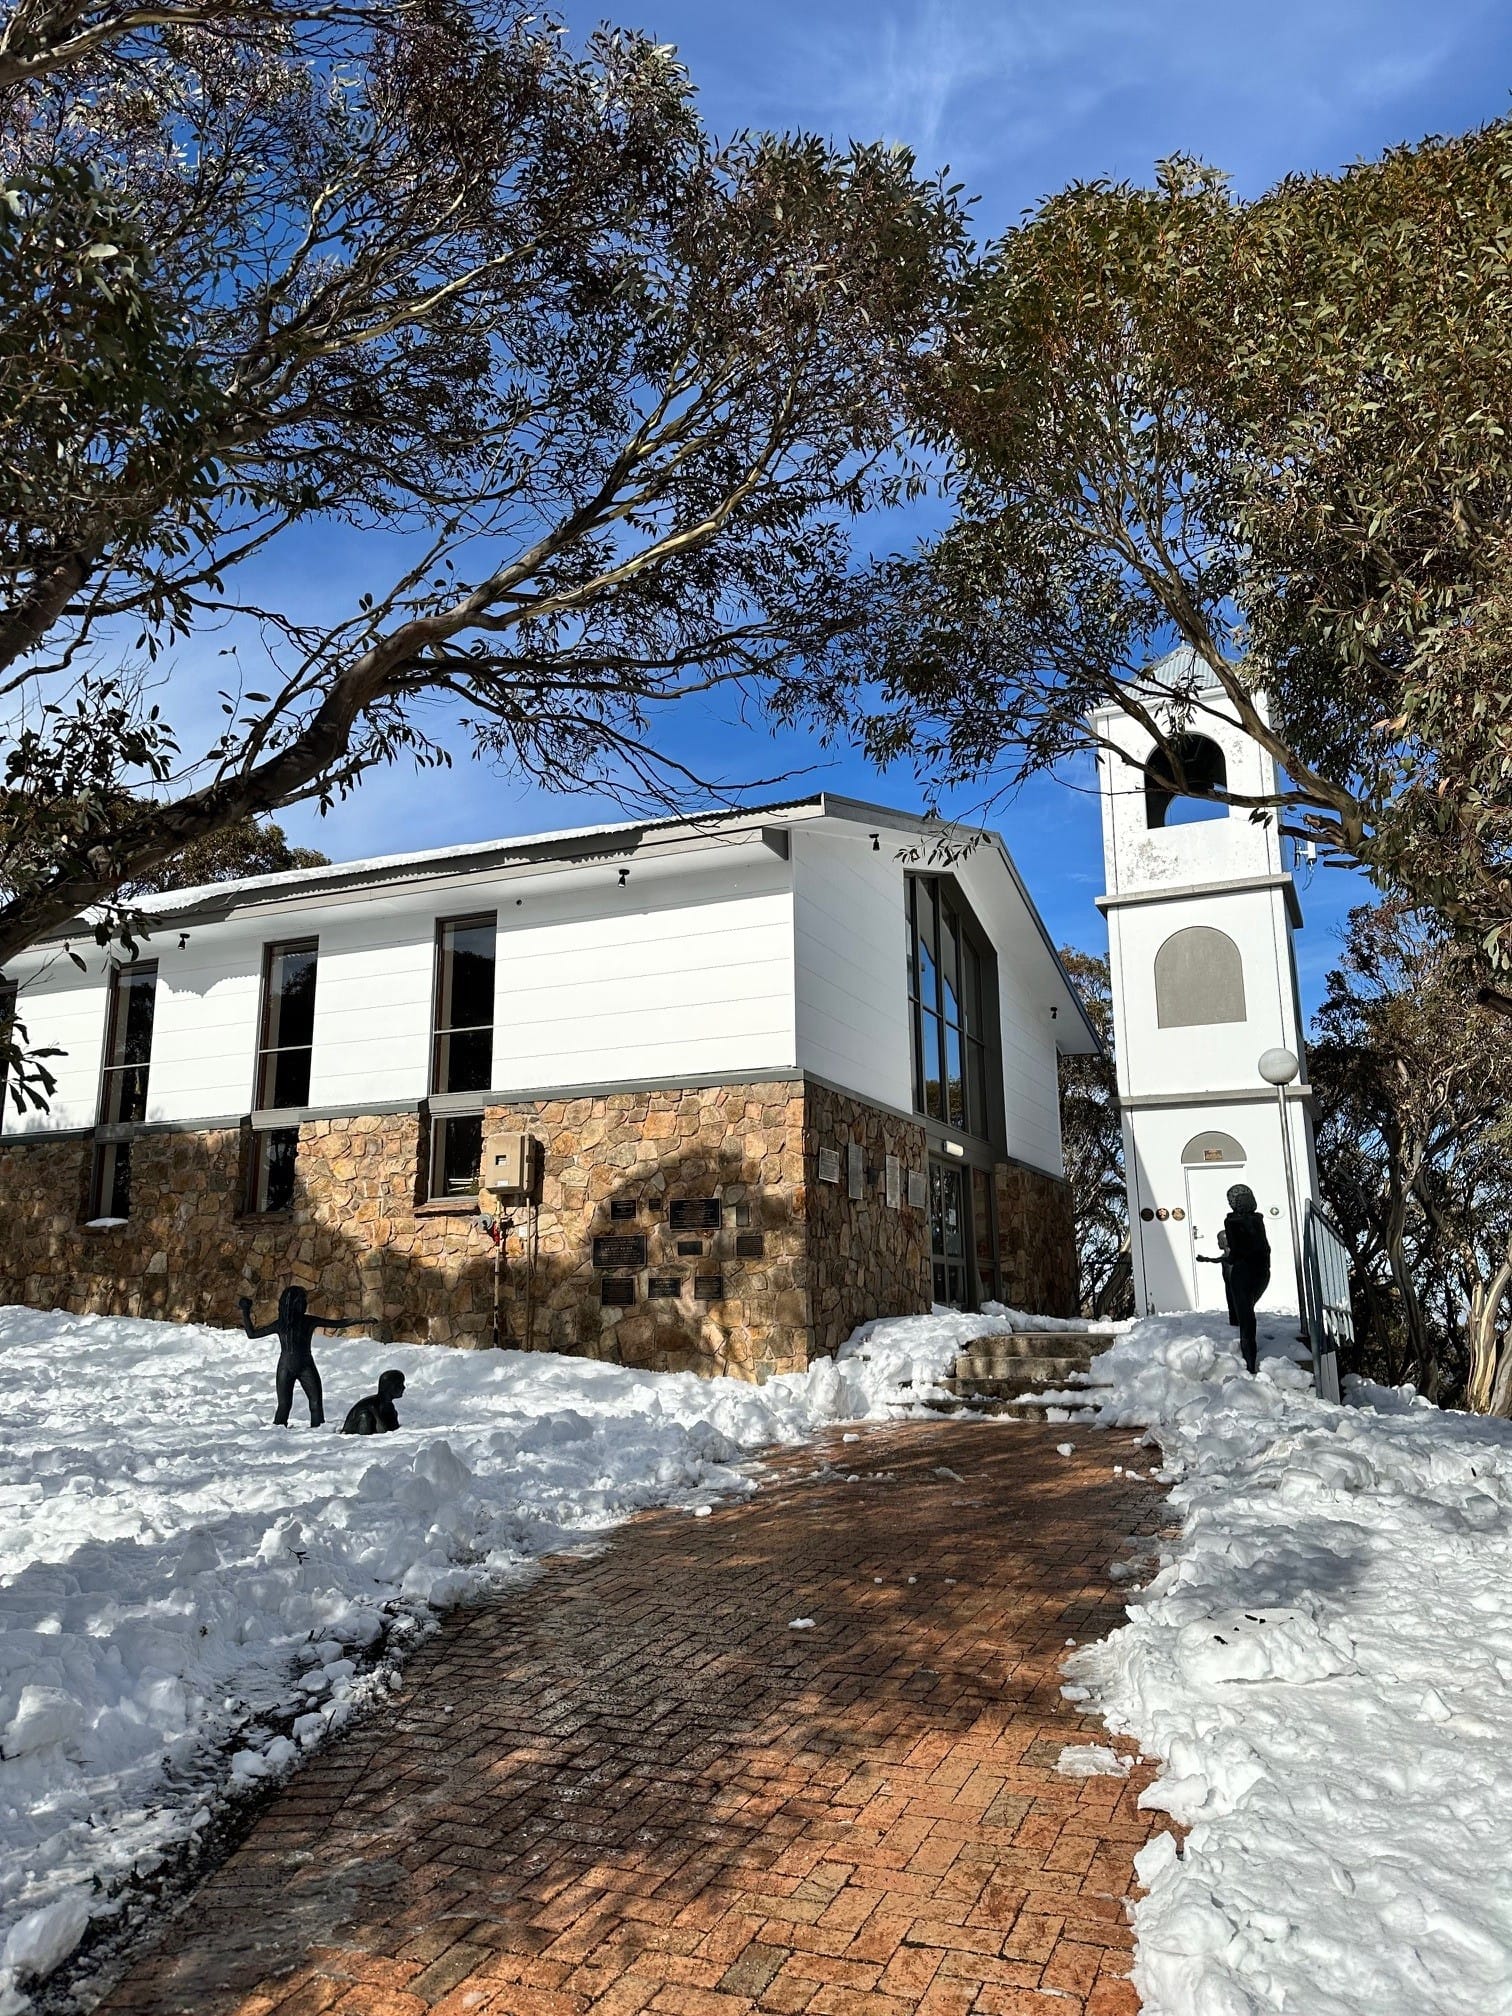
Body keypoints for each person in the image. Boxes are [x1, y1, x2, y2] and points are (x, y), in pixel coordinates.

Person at [238, 1286, 365, 1428]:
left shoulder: (307, 1321)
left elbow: (337, 1323)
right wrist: (245, 1311)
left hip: (305, 1366)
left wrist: (361, 1320)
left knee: (316, 1402)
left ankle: (318, 1430)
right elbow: (252, 1334)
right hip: (287, 1367)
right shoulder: (281, 1324)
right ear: (292, 1304)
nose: (305, 1304)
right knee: (284, 1405)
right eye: (302, 1301)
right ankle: (279, 1431)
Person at [1221, 1184, 1271, 1375]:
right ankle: (1249, 1360)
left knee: (1246, 1315)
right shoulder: (1258, 1220)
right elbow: (1263, 1249)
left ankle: (1249, 1361)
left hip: (1243, 1272)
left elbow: (1236, 1250)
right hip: (1262, 1271)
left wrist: (1227, 1258)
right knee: (1247, 1311)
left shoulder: (1232, 1222)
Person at [341, 1369, 406, 1436]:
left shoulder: (389, 1406)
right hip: (356, 1438)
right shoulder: (373, 1406)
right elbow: (383, 1431)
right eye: (400, 1384)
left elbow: (393, 1428)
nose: (404, 1387)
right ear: (390, 1387)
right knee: (365, 1416)